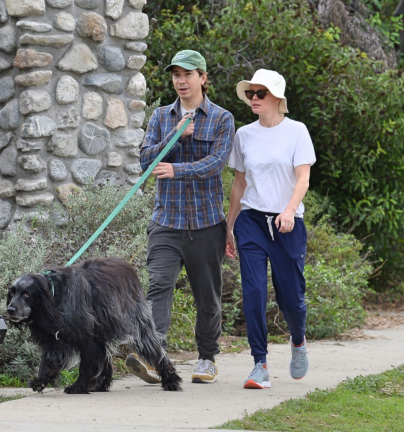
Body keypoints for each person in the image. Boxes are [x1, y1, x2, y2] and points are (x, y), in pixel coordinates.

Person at [126, 50, 235, 384]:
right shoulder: (161, 117)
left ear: (203, 78)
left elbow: (216, 163)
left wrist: (176, 167)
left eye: (187, 74)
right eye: (176, 75)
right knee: (157, 287)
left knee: (208, 296)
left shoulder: (221, 118)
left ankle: (206, 359)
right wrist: (175, 137)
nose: (180, 80)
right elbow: (146, 161)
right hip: (166, 223)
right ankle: (154, 354)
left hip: (205, 225)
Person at [225, 69, 316, 389]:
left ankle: (298, 340)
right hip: (251, 222)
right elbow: (239, 184)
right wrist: (229, 226)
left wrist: (290, 210)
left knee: (291, 298)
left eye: (260, 93)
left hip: (287, 224)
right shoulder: (244, 135)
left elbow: (303, 178)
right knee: (253, 293)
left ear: (277, 98)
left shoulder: (297, 131)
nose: (253, 98)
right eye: (250, 93)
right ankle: (259, 364)